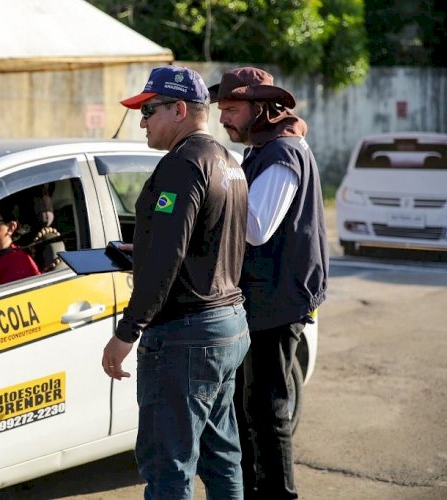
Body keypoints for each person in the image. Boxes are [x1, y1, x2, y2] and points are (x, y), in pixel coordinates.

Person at [101, 65, 250, 499]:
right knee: (222, 459)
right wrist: (145, 249)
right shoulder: (229, 163)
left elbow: (167, 258)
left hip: (187, 335)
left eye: (148, 110)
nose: (142, 121)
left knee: (168, 467)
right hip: (226, 325)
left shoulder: (181, 167)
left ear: (180, 109)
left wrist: (126, 332)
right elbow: (204, 241)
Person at [209, 66, 328, 499]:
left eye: (233, 108)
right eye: (222, 108)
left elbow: (257, 226)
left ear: (262, 108)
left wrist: (211, 197)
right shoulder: (265, 147)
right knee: (249, 408)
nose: (224, 118)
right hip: (261, 297)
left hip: (277, 300)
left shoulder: (282, 152)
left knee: (268, 410)